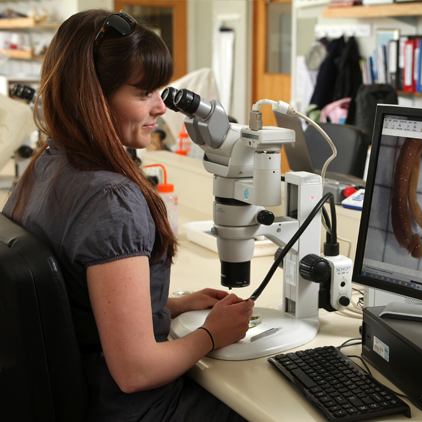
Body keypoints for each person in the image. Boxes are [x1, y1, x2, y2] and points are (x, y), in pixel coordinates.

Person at [2, 9, 254, 422]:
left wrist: (168, 304)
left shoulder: (44, 168)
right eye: (144, 94)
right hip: (137, 410)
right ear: (93, 99)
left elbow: (71, 301)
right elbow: (136, 372)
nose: (161, 107)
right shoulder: (112, 198)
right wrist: (212, 335)